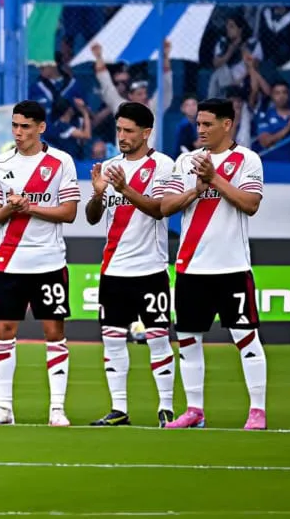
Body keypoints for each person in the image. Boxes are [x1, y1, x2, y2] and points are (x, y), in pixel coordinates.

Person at [161, 98, 267, 430]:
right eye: (199, 124)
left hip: (232, 266)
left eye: (208, 124)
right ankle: (194, 410)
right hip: (191, 267)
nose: (201, 130)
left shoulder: (247, 159)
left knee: (246, 336)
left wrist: (216, 179)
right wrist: (195, 190)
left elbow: (250, 204)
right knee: (189, 338)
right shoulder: (185, 161)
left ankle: (257, 410)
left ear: (226, 124)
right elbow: (165, 206)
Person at [0, 100, 80, 427]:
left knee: (54, 331)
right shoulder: (0, 164)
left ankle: (57, 410)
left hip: (49, 261)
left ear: (41, 127)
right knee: (5, 330)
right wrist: (12, 209)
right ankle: (4, 409)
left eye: (25, 126)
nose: (19, 132)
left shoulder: (61, 162)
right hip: (9, 261)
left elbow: (68, 212)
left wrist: (29, 208)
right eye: (15, 125)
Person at [83, 102, 175, 427]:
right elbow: (93, 219)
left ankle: (166, 408)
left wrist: (125, 189)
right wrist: (96, 196)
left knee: (158, 338)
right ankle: (118, 409)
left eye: (129, 131)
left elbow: (160, 209)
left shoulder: (163, 165)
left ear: (146, 132)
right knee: (112, 338)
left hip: (150, 269)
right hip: (113, 270)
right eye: (119, 129)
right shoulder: (108, 166)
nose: (122, 136)